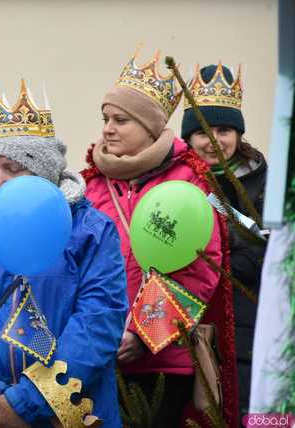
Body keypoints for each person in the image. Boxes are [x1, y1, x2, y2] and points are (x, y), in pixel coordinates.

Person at [0, 80, 128, 427]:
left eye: (12, 168)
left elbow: (97, 325)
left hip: (68, 414)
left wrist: (29, 401)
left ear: (45, 169)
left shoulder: (92, 231)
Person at [82, 50, 238, 427]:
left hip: (165, 360)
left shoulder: (187, 181)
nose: (108, 129)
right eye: (105, 119)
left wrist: (143, 332)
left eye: (121, 120)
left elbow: (199, 271)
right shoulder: (91, 185)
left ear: (151, 128)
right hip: (97, 356)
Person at [182, 63, 267, 419]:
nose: (213, 140)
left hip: (248, 335)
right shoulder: (175, 184)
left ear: (238, 134)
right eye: (202, 130)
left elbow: (266, 258)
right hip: (185, 330)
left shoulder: (264, 185)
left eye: (224, 129)